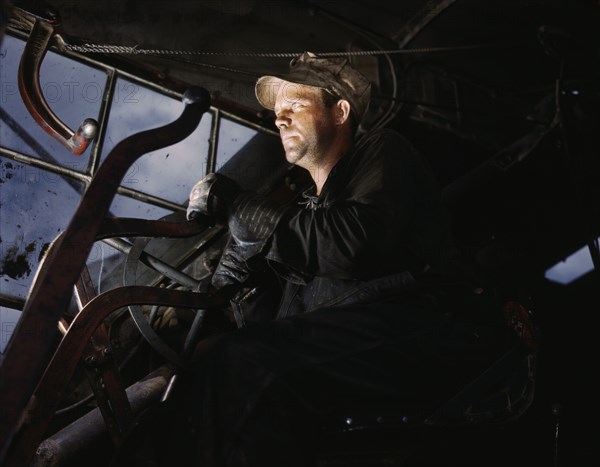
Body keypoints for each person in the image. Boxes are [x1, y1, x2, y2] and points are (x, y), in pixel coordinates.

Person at [173, 52, 517, 467]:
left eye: (295, 106)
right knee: (209, 375)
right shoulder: (305, 210)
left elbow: (353, 245)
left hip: (417, 326)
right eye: (278, 113)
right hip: (349, 342)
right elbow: (283, 325)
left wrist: (244, 209)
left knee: (246, 363)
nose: (279, 119)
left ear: (340, 112)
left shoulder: (383, 152)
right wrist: (241, 282)